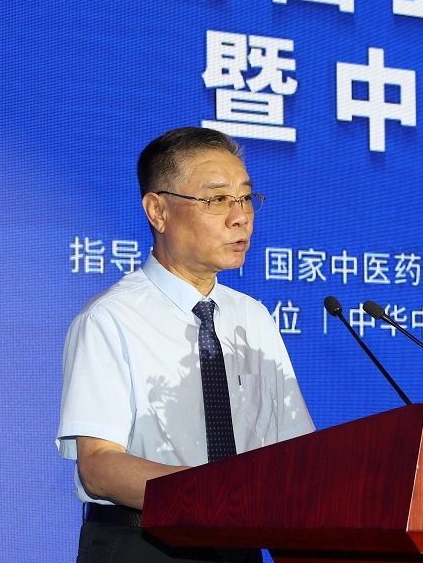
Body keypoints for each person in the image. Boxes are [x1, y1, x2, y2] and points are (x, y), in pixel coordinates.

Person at [56, 127, 315, 562]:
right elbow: (98, 466)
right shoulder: (111, 318)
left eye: (246, 197)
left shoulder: (253, 317)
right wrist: (214, 494)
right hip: (144, 545)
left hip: (241, 545)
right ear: (158, 211)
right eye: (218, 199)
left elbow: (294, 451)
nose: (240, 216)